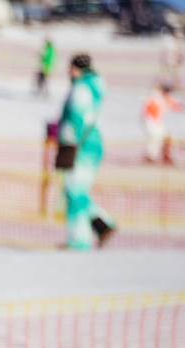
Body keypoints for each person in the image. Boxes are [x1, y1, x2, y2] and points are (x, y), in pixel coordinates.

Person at [56, 53, 116, 249]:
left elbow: (76, 118)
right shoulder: (94, 87)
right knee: (77, 190)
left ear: (75, 68)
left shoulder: (81, 88)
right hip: (92, 143)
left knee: (74, 192)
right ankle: (103, 224)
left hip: (81, 146)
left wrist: (67, 142)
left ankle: (79, 241)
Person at [142, 82, 181, 165]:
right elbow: (150, 108)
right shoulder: (156, 97)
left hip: (156, 122)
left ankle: (164, 157)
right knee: (156, 138)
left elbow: (175, 106)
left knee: (165, 137)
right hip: (151, 121)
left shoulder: (164, 98)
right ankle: (151, 157)